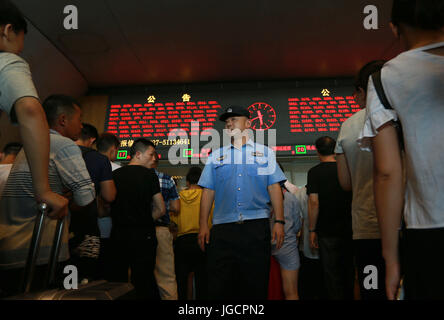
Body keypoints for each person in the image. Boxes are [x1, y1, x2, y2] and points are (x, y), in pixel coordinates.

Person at [358, 0, 444, 300]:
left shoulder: (385, 78)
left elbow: (387, 173)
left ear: (395, 28)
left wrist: (391, 258)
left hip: (429, 228)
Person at [0, 94, 95, 297]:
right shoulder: (64, 145)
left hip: (10, 246)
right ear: (63, 120)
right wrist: (65, 196)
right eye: (79, 119)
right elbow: (86, 197)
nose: (81, 126)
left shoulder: (30, 145)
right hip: (39, 250)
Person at [198, 106, 286, 300]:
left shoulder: (265, 153)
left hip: (255, 228)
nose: (229, 123)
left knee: (255, 285)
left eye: (234, 119)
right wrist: (203, 224)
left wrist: (279, 222)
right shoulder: (215, 156)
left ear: (248, 124)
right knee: (219, 287)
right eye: (227, 121)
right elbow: (208, 191)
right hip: (222, 229)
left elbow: (274, 188)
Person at [0, 0, 68, 219]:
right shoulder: (6, 61)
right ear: (8, 30)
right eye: (20, 43)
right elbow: (29, 110)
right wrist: (43, 191)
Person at [335, 60, 387, 300]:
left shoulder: (348, 126)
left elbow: (345, 183)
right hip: (409, 224)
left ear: (361, 92)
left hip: (367, 227)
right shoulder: (404, 115)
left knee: (372, 287)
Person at [106, 138, 165, 299]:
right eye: (151, 154)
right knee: (145, 280)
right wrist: (144, 219)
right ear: (138, 154)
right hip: (144, 235)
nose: (154, 159)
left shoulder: (114, 175)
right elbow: (161, 209)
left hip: (118, 234)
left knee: (117, 282)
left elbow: (106, 204)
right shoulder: (149, 175)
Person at [307, 136, 354, 300]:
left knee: (331, 273)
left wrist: (312, 229)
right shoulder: (346, 169)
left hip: (326, 231)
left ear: (317, 151)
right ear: (335, 150)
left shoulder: (314, 172)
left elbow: (314, 202)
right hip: (350, 228)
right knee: (349, 269)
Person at [70, 124, 116, 282]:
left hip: (58, 225)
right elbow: (109, 196)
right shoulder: (99, 160)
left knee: (63, 276)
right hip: (87, 225)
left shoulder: (59, 153)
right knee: (86, 277)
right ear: (92, 140)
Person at [171, 166, 211, 300]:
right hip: (204, 240)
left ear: (187, 182)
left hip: (182, 242)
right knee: (203, 281)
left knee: (181, 281)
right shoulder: (208, 197)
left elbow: (173, 223)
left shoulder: (179, 197)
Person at [150, 151, 180, 300]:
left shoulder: (131, 177)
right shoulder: (167, 179)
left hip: (137, 230)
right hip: (161, 230)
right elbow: (176, 207)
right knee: (166, 277)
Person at [270, 180, 302, 300]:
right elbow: (297, 224)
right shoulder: (289, 197)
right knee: (291, 292)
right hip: (286, 245)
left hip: (263, 247)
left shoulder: (259, 197)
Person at [96, 132, 121, 278]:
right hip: (110, 226)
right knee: (109, 273)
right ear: (112, 149)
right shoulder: (116, 169)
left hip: (89, 226)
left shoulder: (86, 163)